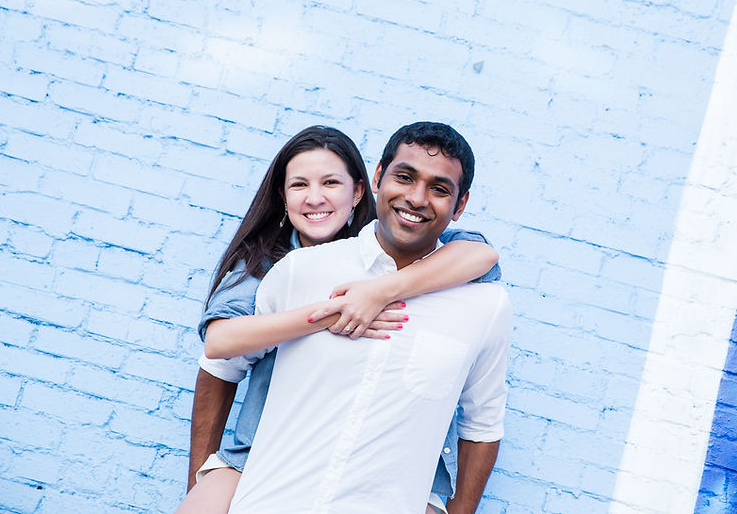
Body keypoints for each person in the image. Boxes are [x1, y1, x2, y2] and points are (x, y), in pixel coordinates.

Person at [178, 125, 501, 514]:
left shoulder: (451, 269)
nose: (316, 199)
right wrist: (201, 479)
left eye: (331, 182)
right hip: (261, 459)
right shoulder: (277, 268)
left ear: (360, 189)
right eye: (299, 185)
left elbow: (481, 254)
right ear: (282, 196)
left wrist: (379, 290)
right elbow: (218, 352)